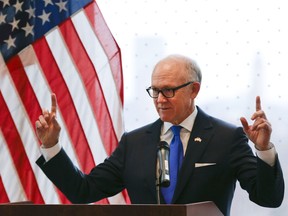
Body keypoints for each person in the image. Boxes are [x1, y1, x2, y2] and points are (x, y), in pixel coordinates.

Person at [35, 54, 284, 216]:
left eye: (168, 91)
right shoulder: (134, 143)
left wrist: (263, 150)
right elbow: (83, 190)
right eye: (155, 91)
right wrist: (51, 146)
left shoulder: (226, 138)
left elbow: (268, 199)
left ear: (193, 90)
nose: (160, 100)